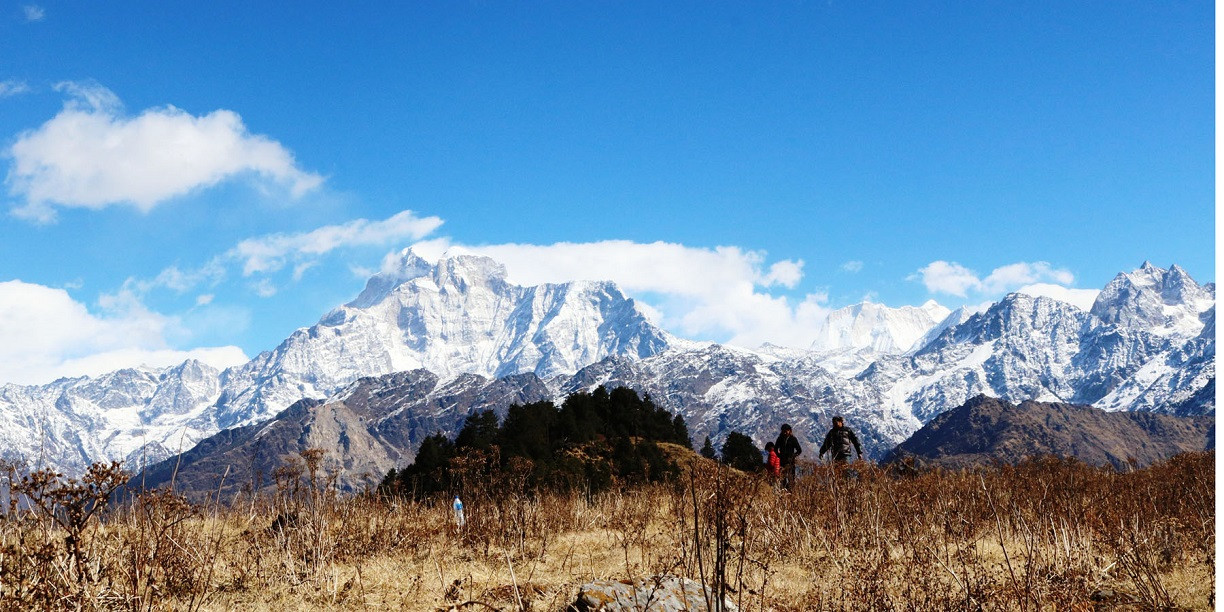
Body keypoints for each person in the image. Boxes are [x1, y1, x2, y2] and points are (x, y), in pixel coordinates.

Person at [774, 424, 802, 489]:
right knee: (783, 478)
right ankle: (784, 491)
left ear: (790, 431)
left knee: (791, 478)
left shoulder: (793, 439)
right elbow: (775, 448)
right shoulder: (780, 439)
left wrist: (793, 456)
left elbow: (799, 450)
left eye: (787, 431)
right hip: (782, 461)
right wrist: (779, 455)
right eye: (784, 431)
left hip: (790, 462)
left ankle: (791, 492)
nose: (785, 432)